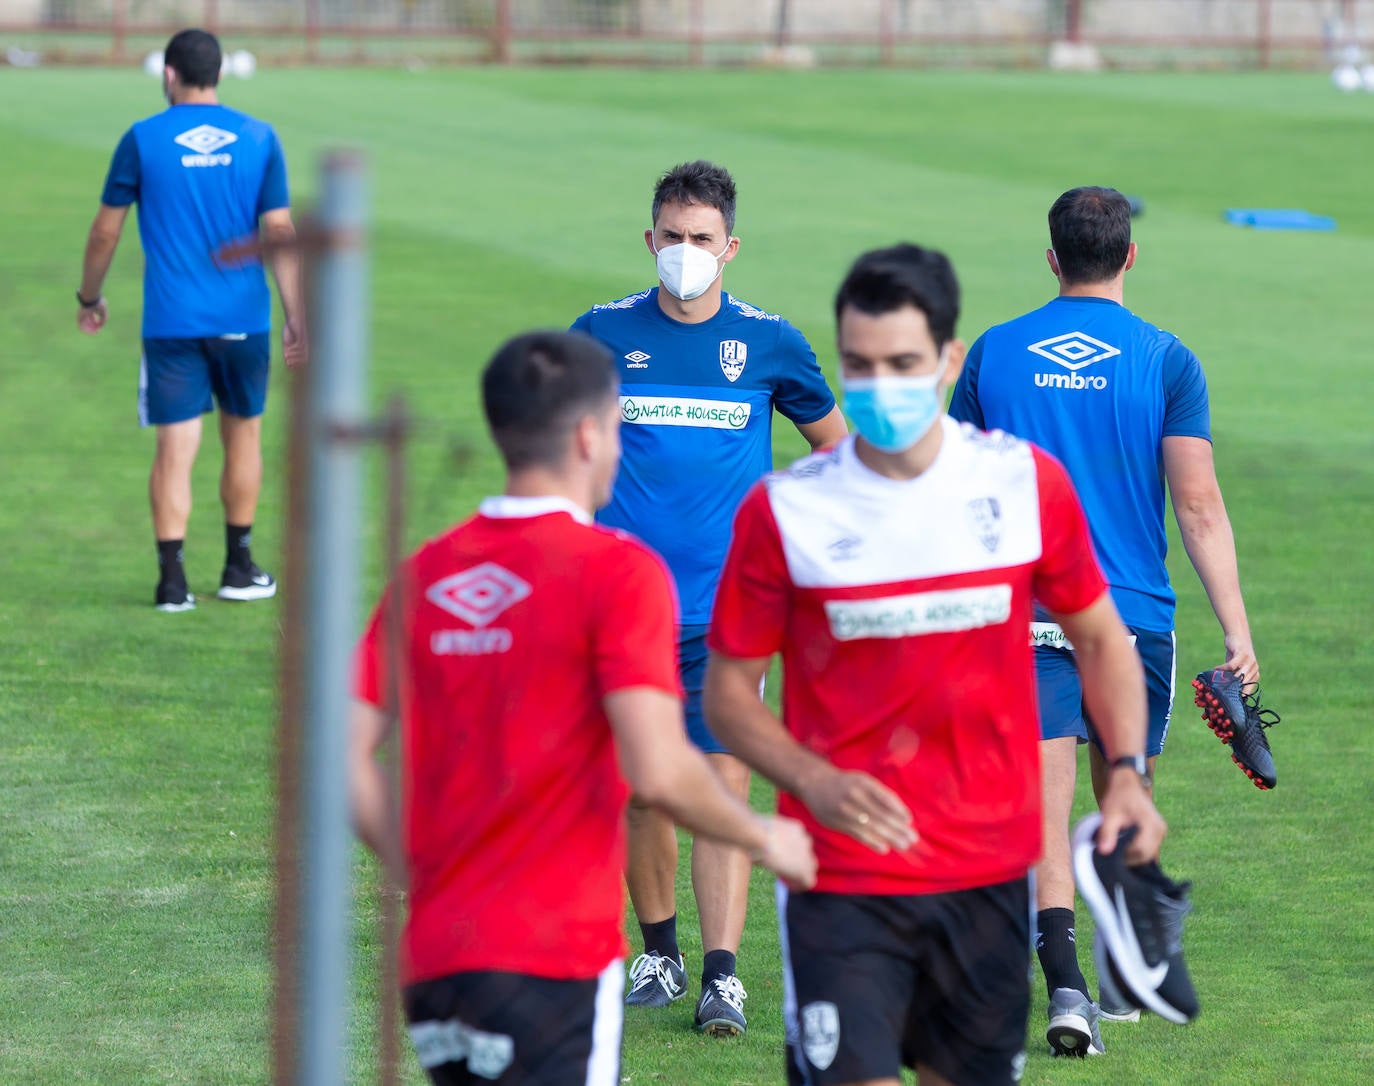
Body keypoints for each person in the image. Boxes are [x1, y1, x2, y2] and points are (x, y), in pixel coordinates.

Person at [704, 243, 1168, 1085]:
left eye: (904, 364)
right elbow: (729, 697)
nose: (880, 385)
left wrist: (1128, 772)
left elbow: (1101, 638)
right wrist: (810, 780)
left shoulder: (1023, 485)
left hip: (987, 874)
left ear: (951, 361)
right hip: (841, 877)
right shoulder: (786, 509)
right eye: (860, 365)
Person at [348, 330, 817, 1086]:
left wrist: (419, 866)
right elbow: (660, 769)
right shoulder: (617, 573)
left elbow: (336, 752)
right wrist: (765, 835)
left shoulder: (426, 575)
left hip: (437, 958)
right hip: (554, 958)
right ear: (591, 435)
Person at [947, 186, 1258, 1047]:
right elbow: (1197, 507)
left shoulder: (996, 353)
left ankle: (1066, 986)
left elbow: (953, 487)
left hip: (1024, 612)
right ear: (1129, 257)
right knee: (1124, 788)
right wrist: (1236, 630)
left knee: (1042, 805)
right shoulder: (1166, 359)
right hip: (1131, 619)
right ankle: (1120, 978)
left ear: (1052, 258)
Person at [570, 160, 847, 1035]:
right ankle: (659, 948)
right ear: (648, 241)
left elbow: (834, 452)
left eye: (701, 240)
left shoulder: (769, 345)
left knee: (725, 783)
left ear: (730, 247)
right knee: (644, 787)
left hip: (729, 612)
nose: (684, 254)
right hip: (620, 608)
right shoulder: (599, 336)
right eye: (671, 238)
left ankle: (721, 977)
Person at [77, 27, 306, 612]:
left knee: (176, 448)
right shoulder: (259, 137)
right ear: (220, 75)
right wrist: (296, 315)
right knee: (244, 438)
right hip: (243, 320)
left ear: (170, 74)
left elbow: (106, 229)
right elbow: (278, 230)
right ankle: (237, 567)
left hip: (172, 322)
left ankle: (172, 582)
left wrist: (90, 297)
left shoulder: (142, 139)